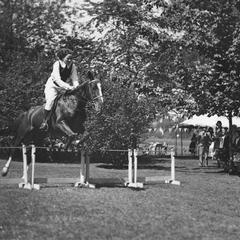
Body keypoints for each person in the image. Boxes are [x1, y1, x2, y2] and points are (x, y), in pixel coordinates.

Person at [40, 48, 79, 130]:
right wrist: (69, 87)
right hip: (53, 86)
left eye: (71, 58)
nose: (70, 60)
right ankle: (44, 122)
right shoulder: (57, 64)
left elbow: (74, 78)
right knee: (50, 101)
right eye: (68, 58)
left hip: (63, 87)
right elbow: (57, 79)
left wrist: (76, 86)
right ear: (62, 58)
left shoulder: (73, 66)